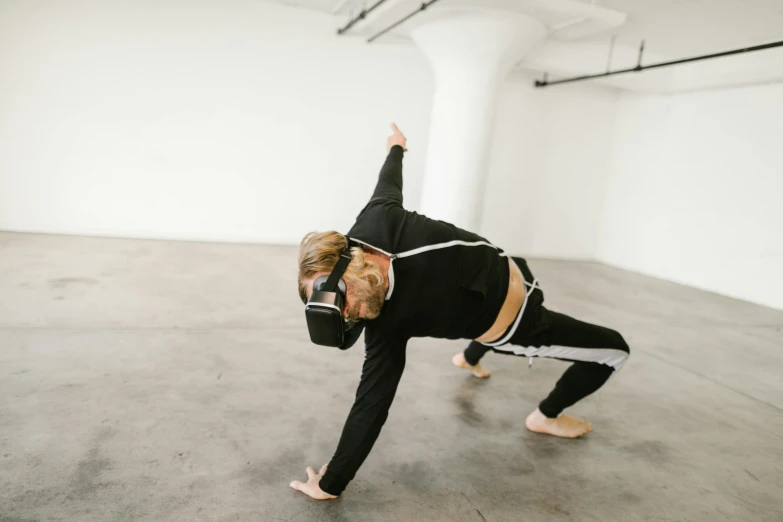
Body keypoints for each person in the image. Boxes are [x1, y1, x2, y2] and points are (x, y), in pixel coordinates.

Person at [290, 123, 630, 500]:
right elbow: (371, 403)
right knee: (614, 350)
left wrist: (397, 148)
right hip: (520, 323)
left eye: (337, 297)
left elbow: (388, 180)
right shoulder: (385, 325)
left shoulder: (378, 220)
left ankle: (468, 358)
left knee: (461, 303)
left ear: (348, 264)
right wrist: (330, 482)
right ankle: (546, 416)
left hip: (508, 272)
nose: (348, 313)